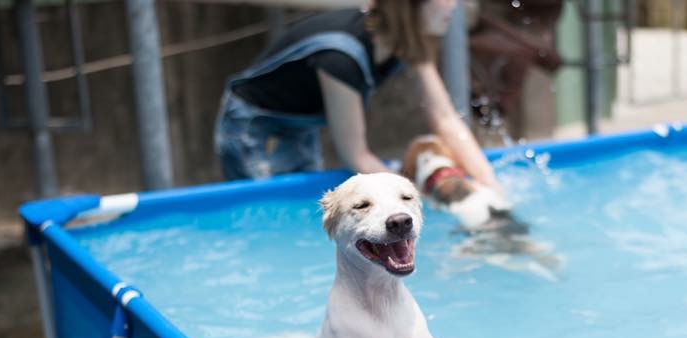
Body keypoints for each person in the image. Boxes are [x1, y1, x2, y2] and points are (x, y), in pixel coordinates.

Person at [214, 0, 503, 196]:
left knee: (300, 204)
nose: (455, 5)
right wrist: (424, 199)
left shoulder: (405, 39)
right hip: (252, 124)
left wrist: (489, 187)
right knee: (266, 209)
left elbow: (445, 119)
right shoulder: (340, 58)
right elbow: (356, 156)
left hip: (299, 122)